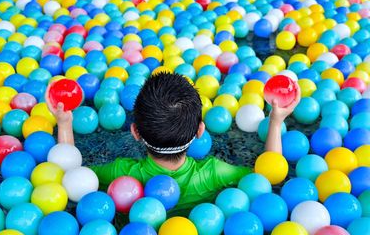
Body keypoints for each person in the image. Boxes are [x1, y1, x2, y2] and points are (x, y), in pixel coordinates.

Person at [46, 72, 300, 210]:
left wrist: (65, 123)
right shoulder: (214, 172)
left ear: (135, 132)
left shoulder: (121, 173)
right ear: (200, 131)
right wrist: (276, 121)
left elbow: (69, 175)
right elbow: (267, 176)